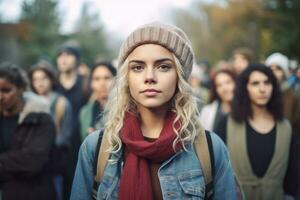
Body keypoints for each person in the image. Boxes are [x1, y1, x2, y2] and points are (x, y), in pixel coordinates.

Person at [70, 22, 236, 200]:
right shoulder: (96, 148)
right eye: (138, 67)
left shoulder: (210, 149)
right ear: (127, 78)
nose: (149, 77)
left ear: (179, 76)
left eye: (163, 66)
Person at [216, 64, 298, 199]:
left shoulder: (285, 127)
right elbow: (216, 170)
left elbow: (293, 175)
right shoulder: (226, 123)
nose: (262, 89)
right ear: (244, 88)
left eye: (267, 83)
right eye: (255, 83)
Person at [0, 63, 57, 200]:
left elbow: (33, 161)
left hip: (34, 193)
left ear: (20, 89)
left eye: (6, 90)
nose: (0, 97)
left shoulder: (41, 118)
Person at [29, 60, 73, 200]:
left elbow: (65, 136)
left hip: (53, 164)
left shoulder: (61, 103)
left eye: (43, 78)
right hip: (30, 165)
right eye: (35, 79)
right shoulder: (27, 102)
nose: (40, 83)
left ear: (50, 79)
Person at [55, 45, 90, 199]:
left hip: (80, 145)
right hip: (56, 147)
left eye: (68, 55)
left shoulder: (85, 84)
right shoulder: (52, 84)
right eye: (60, 55)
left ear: (76, 59)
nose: (63, 58)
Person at [265, 52, 300, 138]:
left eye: (278, 69)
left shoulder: (292, 96)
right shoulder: (261, 93)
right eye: (270, 68)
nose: (273, 72)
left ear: (284, 73)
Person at [80, 61, 116, 140]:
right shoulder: (85, 112)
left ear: (116, 80)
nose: (102, 83)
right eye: (97, 79)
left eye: (107, 78)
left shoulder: (123, 109)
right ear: (91, 83)